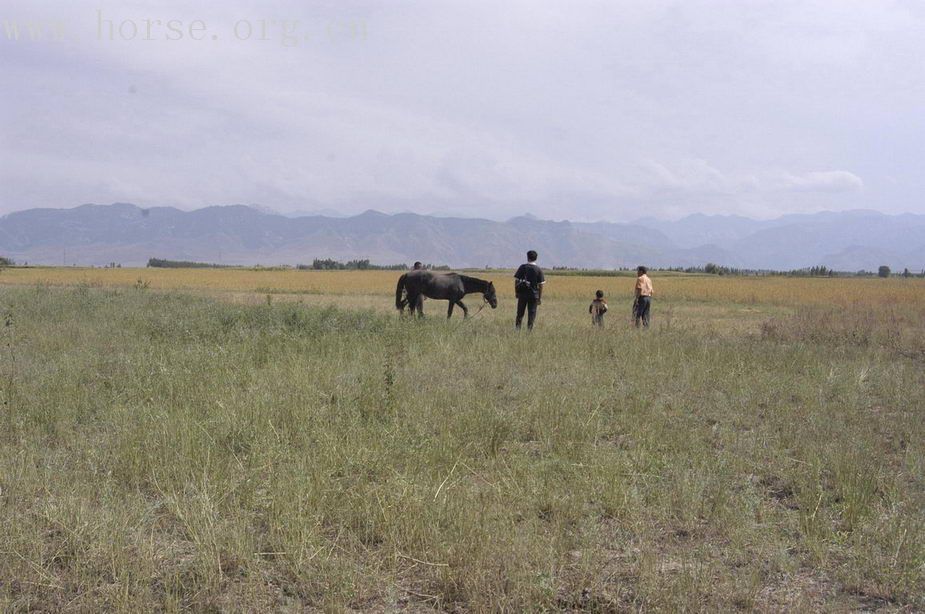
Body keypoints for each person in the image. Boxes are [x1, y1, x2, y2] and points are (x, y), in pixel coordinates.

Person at [514, 250, 545, 330]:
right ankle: (529, 332)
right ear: (536, 258)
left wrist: (517, 292)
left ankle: (517, 331)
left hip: (522, 294)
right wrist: (539, 298)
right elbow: (541, 285)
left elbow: (516, 280)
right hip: (533, 296)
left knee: (520, 314)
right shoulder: (538, 270)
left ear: (527, 257)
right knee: (532, 314)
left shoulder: (522, 267)